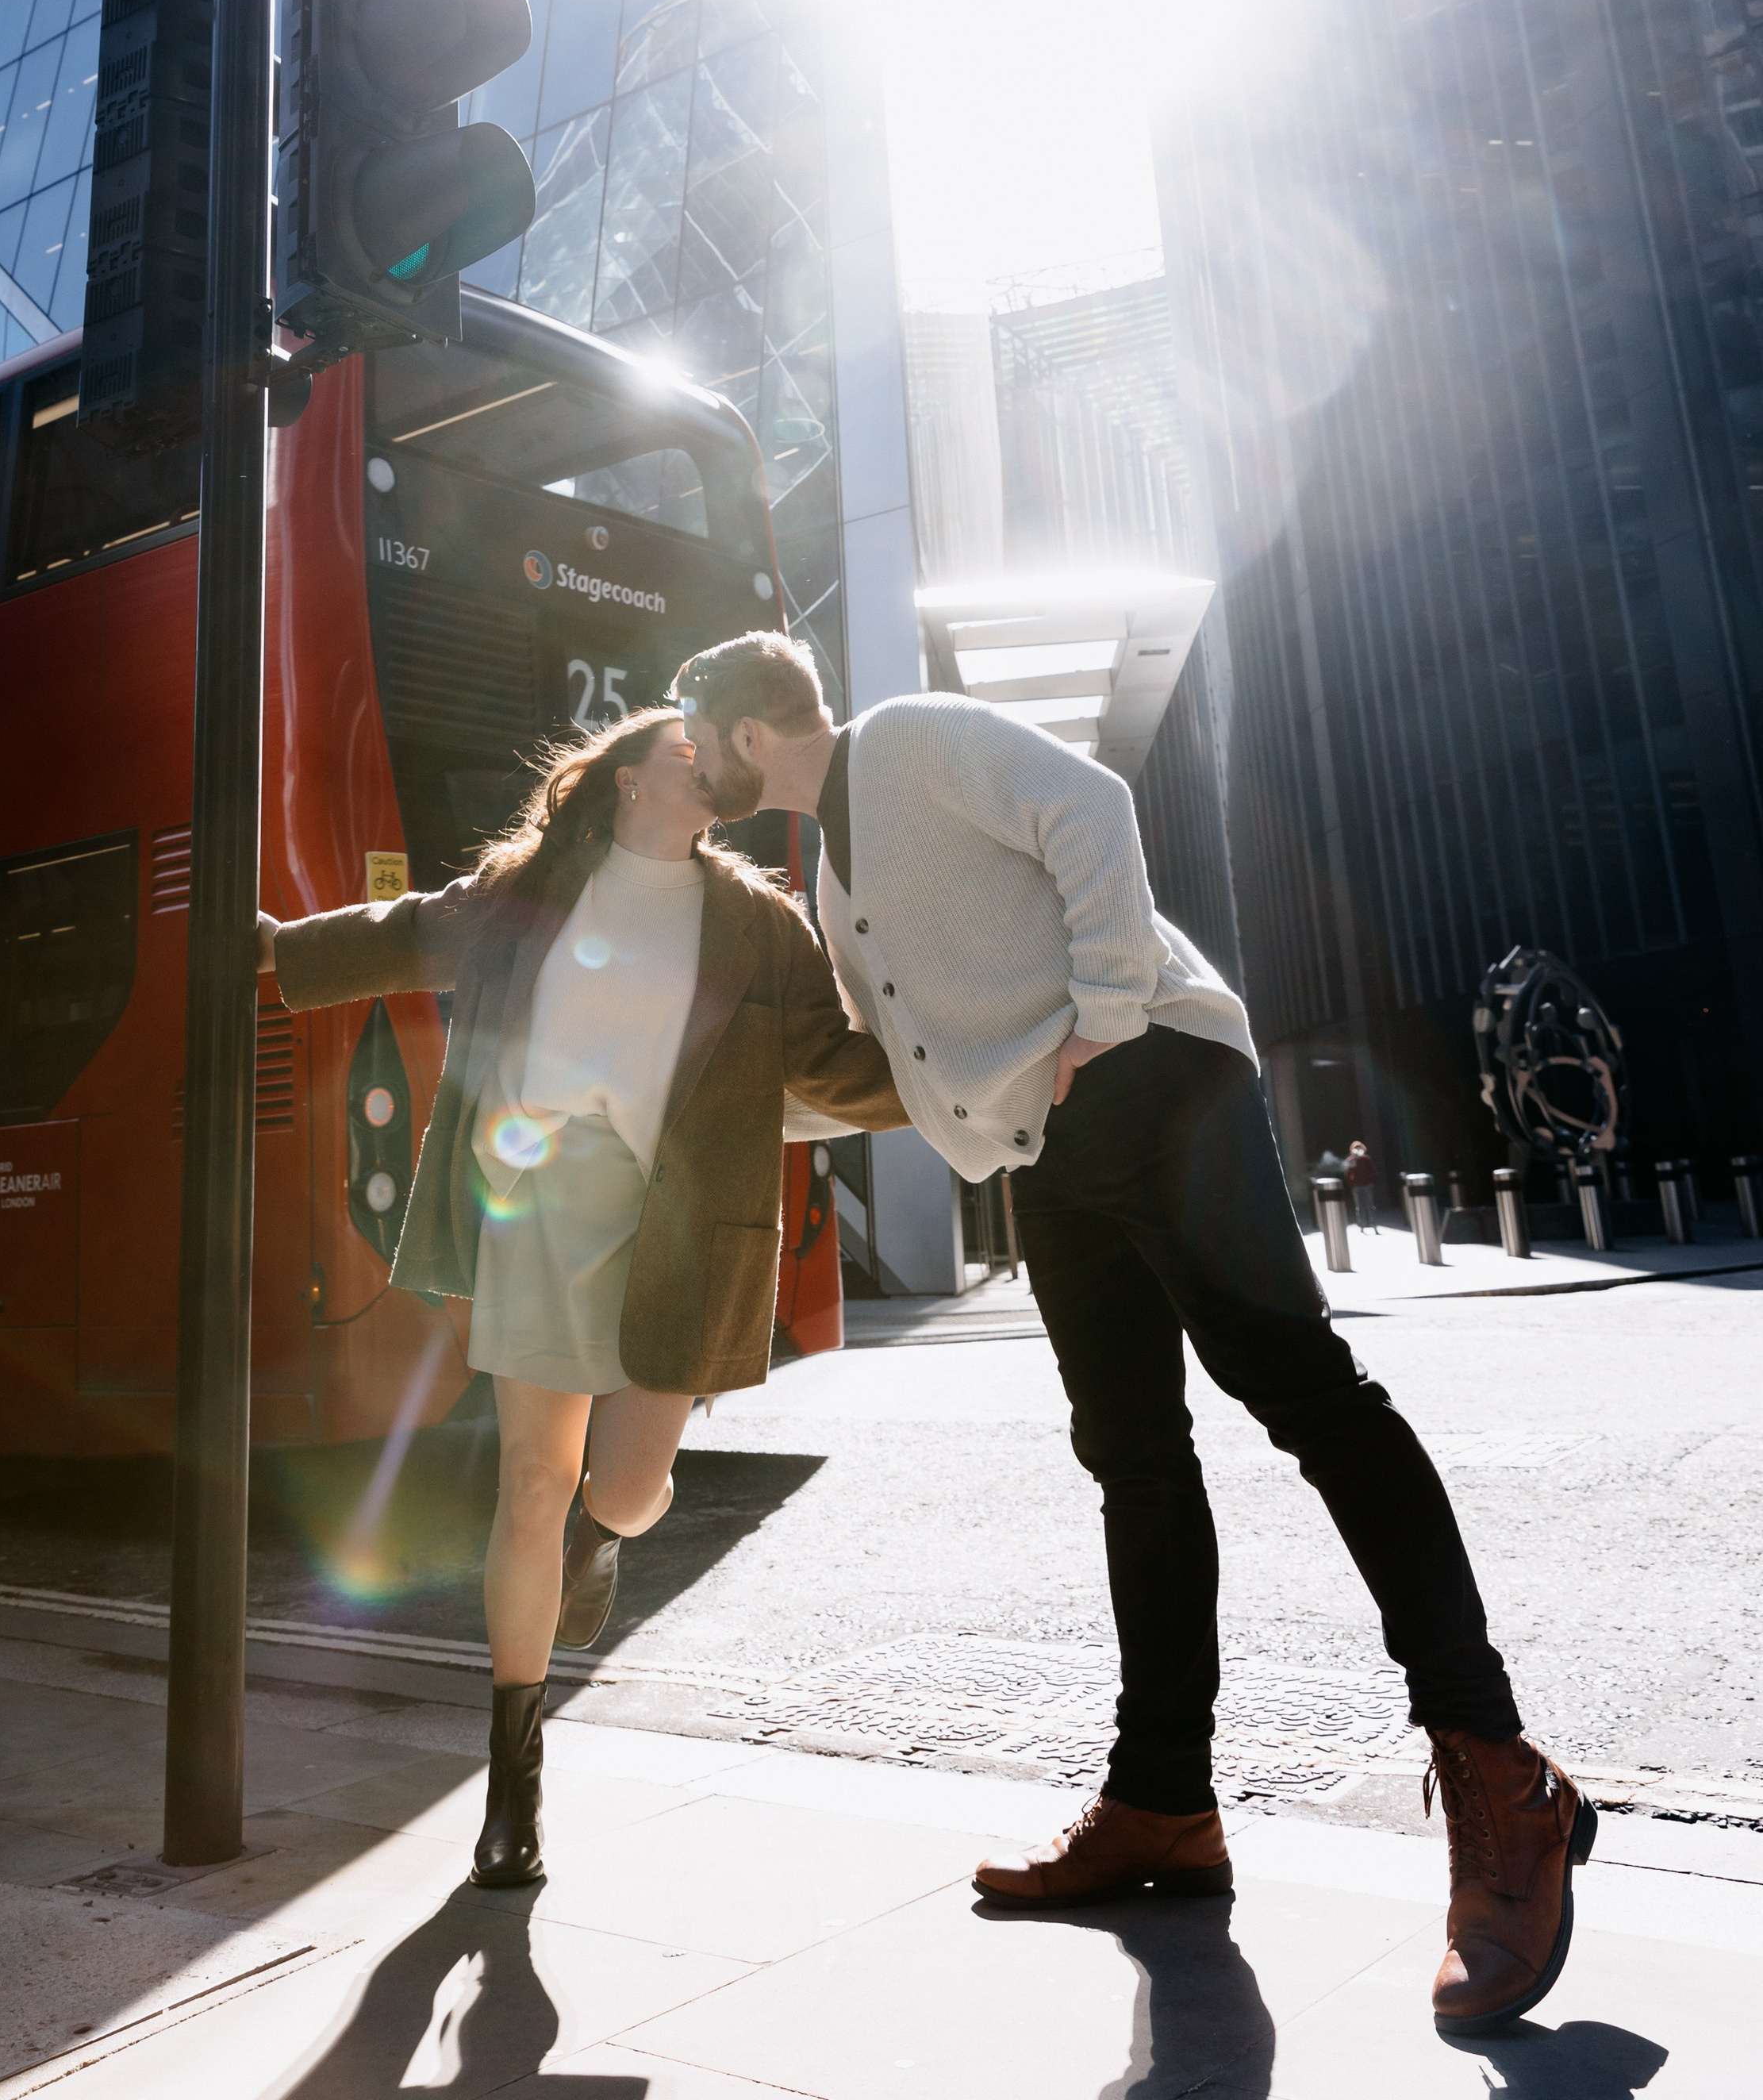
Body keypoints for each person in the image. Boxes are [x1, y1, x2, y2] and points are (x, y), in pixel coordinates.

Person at [670, 633, 1596, 2038]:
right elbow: (905, 1070)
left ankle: (1497, 1771)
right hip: (1052, 1147)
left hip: (1155, 1074)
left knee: (1309, 1399)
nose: (691, 758)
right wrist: (721, 1111)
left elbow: (1092, 804)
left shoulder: (910, 740)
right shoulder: (832, 872)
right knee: (1135, 1463)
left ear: (747, 730)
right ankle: (1165, 1803)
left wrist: (1104, 1016)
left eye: (695, 733)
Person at [256, 706, 904, 1894]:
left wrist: (974, 1074)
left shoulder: (759, 924)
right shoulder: (532, 888)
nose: (710, 763)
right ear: (624, 783)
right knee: (531, 1485)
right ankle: (514, 1789)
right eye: (686, 752)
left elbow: (830, 1066)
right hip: (539, 1205)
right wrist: (268, 948)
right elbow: (405, 932)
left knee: (625, 1487)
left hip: (680, 1229)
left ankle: (603, 1542)